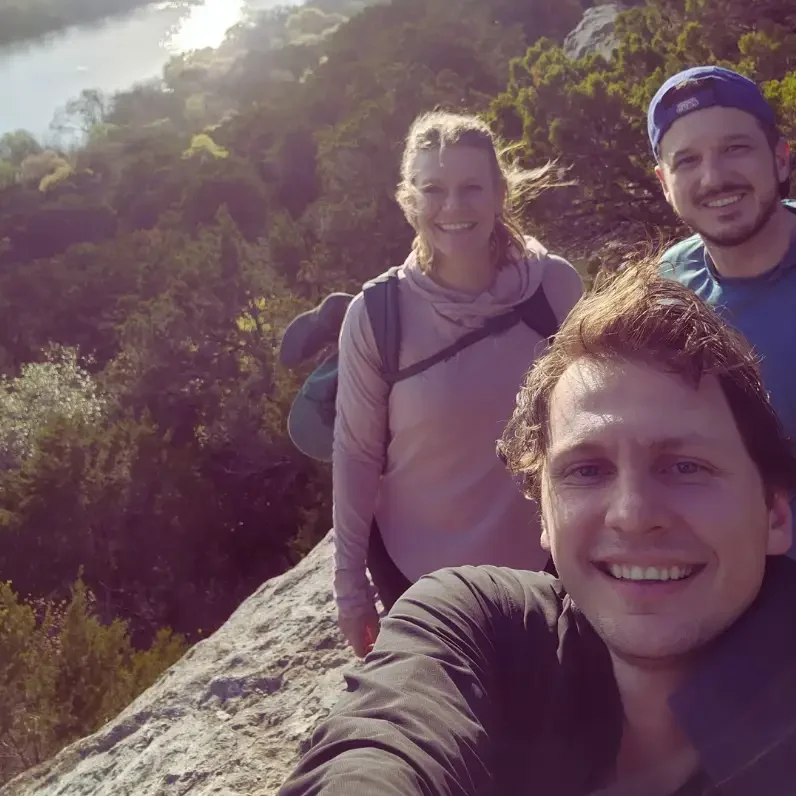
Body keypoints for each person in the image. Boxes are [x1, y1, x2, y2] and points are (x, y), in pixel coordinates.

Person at [280, 263, 796, 796]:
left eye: (686, 466)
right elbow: (380, 746)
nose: (633, 513)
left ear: (775, 512)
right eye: (587, 470)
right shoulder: (473, 624)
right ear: (544, 517)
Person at [333, 110, 583, 657]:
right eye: (433, 190)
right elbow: (355, 453)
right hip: (417, 574)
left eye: (472, 187)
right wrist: (350, 585)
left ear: (499, 193)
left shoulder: (554, 289)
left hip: (542, 559)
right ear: (408, 200)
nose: (452, 207)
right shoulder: (377, 314)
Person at [650, 65, 796, 558]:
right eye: (687, 160)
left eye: (736, 148)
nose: (713, 178)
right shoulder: (670, 287)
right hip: (735, 582)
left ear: (780, 158)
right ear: (664, 183)